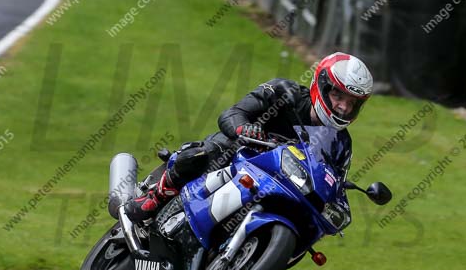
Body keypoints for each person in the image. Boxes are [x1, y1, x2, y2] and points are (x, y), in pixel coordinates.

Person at [125, 52, 374, 229]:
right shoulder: (282, 92)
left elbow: (335, 182)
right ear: (321, 85)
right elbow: (231, 114)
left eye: (352, 103)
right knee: (207, 152)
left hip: (280, 186)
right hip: (239, 156)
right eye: (338, 95)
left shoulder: (341, 144)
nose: (343, 107)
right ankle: (155, 196)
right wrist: (245, 129)